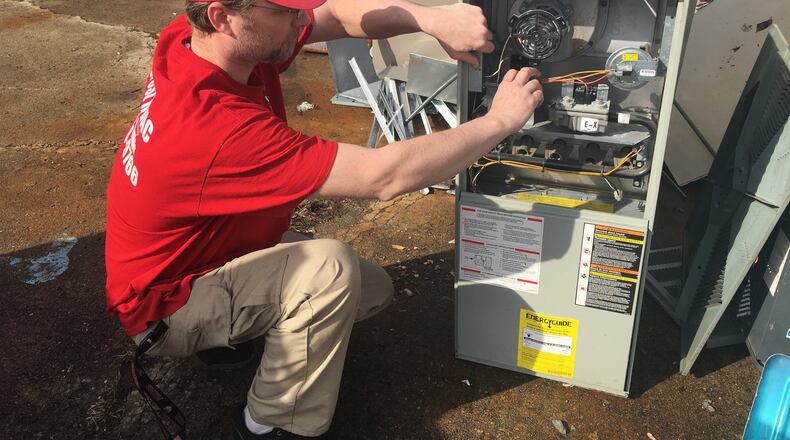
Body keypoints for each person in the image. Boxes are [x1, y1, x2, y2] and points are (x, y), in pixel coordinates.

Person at [104, 0, 543, 438]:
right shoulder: (218, 129)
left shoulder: (189, 39)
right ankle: (271, 423)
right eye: (284, 11)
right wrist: (500, 120)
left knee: (370, 289)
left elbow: (333, 15)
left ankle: (228, 341)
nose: (300, 19)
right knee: (329, 274)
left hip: (193, 256)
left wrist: (431, 18)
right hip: (163, 305)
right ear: (222, 18)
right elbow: (385, 176)